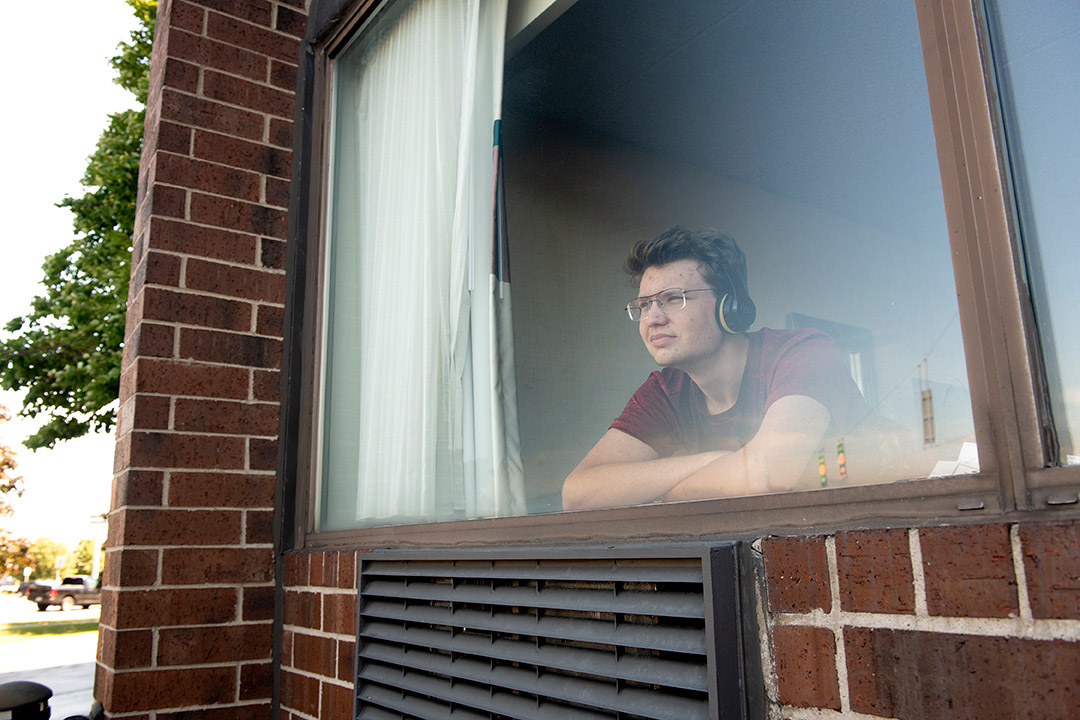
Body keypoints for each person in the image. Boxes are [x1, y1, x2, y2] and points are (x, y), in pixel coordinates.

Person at [562, 226, 872, 511]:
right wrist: (717, 462)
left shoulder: (803, 352)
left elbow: (769, 474)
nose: (653, 318)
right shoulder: (666, 389)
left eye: (672, 299)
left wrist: (655, 493)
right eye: (644, 305)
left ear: (730, 307)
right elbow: (578, 493)